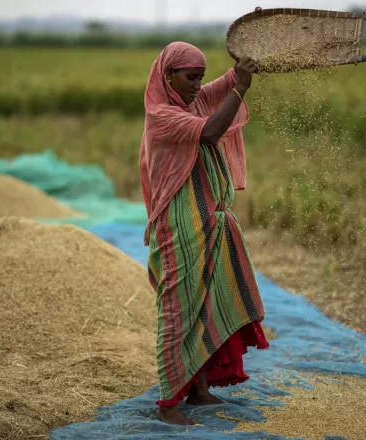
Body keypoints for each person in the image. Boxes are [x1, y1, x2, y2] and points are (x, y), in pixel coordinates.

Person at [139, 41, 269, 426]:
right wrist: (239, 89)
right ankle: (168, 403)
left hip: (207, 220)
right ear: (168, 76)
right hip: (178, 225)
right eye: (190, 77)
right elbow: (212, 131)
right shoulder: (162, 116)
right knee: (178, 310)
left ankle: (198, 389)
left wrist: (250, 54)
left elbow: (226, 83)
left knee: (207, 301)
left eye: (200, 77)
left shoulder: (191, 101)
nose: (198, 85)